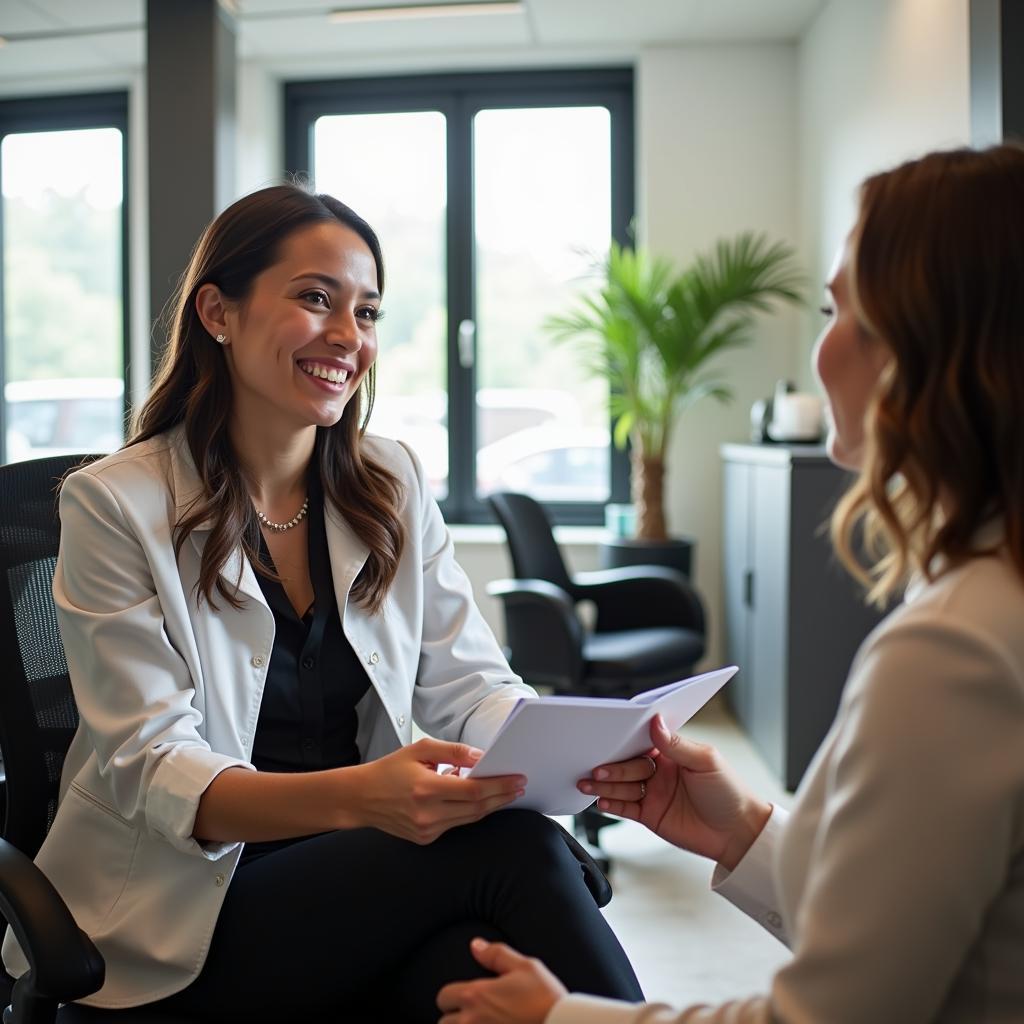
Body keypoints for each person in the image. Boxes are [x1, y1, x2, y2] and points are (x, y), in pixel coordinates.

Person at [0, 184, 643, 1021]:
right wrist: (361, 796)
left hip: (350, 883)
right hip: (175, 916)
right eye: (315, 299)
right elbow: (153, 766)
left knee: (486, 978)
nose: (349, 336)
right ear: (217, 313)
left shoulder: (391, 484)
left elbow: (471, 687)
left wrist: (565, 751)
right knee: (518, 855)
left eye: (368, 313)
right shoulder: (114, 505)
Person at [436, 143, 1024, 1024]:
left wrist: (562, 1019)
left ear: (921, 344)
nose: (820, 353)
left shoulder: (953, 650)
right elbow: (922, 919)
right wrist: (740, 832)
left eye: (839, 312)